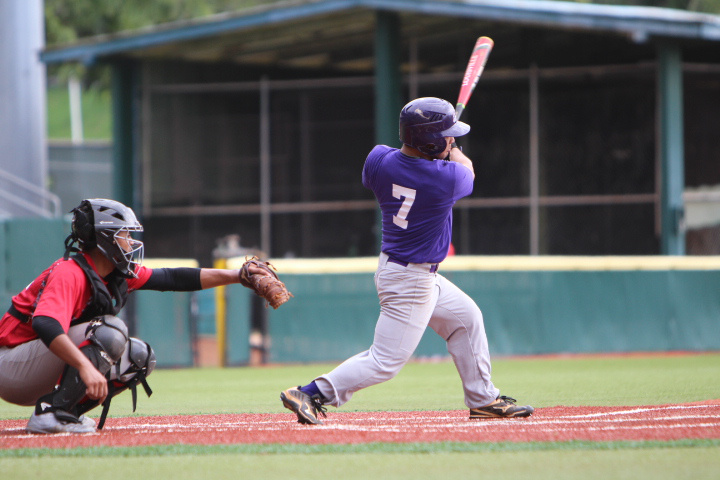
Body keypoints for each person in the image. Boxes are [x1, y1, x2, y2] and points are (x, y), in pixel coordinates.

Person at [280, 97, 533, 424]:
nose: (452, 141)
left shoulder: (377, 160)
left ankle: (483, 400)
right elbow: (467, 171)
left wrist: (442, 140)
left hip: (405, 271)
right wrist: (454, 149)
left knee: (466, 319)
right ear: (429, 141)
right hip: (410, 280)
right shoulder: (446, 179)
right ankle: (310, 393)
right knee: (384, 361)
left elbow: (402, 159)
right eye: (446, 137)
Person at [0, 198, 274, 434]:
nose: (131, 242)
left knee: (138, 357)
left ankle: (66, 411)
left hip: (35, 365)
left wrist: (237, 275)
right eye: (124, 234)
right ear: (105, 238)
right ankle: (51, 414)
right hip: (10, 366)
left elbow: (173, 278)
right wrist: (84, 366)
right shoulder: (69, 272)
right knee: (109, 331)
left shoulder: (112, 273)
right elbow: (45, 323)